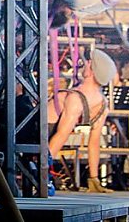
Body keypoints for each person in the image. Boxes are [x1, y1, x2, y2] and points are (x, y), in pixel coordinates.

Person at [48, 49, 116, 193]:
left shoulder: (76, 98)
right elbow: (94, 143)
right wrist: (94, 178)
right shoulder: (102, 103)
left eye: (89, 63)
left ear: (91, 72)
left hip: (37, 131)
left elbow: (61, 136)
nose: (86, 64)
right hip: (43, 132)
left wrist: (42, 172)